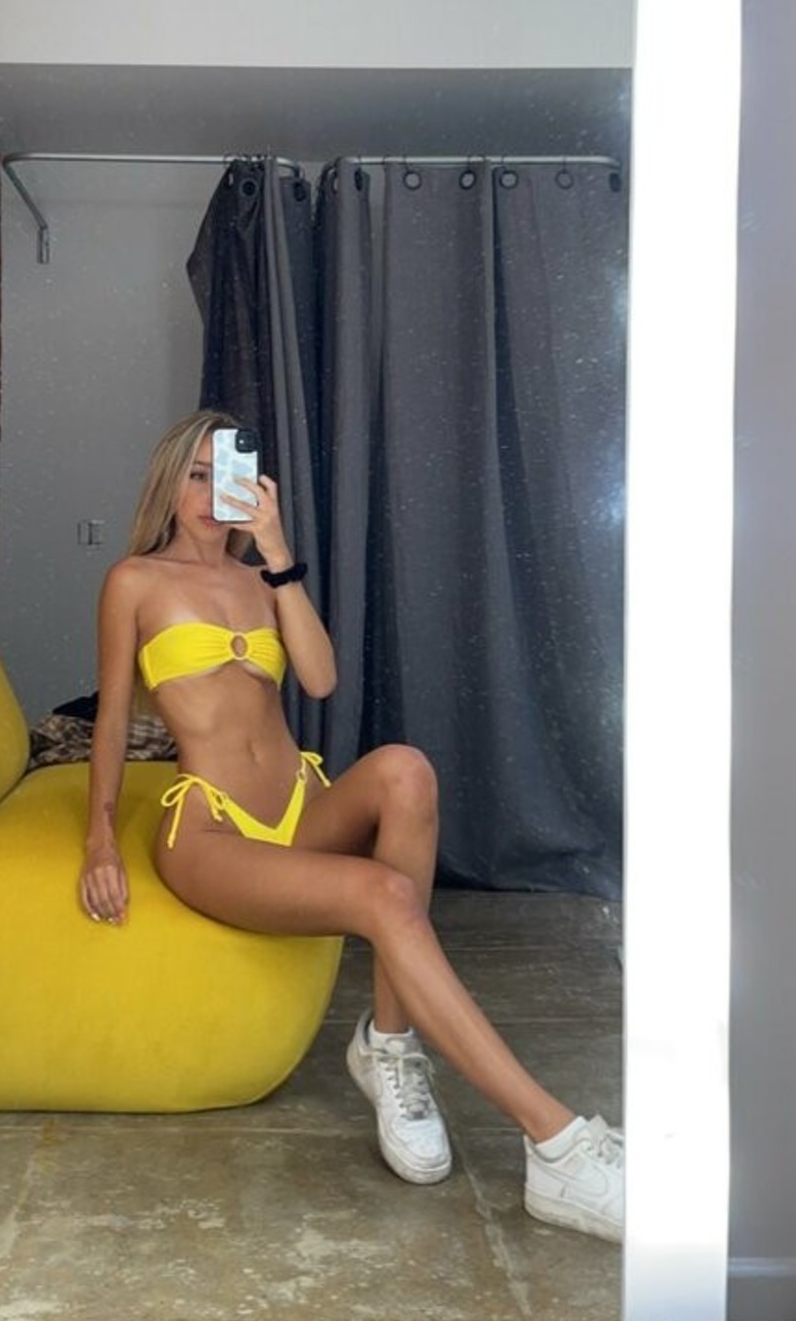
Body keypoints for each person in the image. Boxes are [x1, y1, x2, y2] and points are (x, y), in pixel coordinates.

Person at [80, 409, 623, 1243]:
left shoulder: (262, 579)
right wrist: (100, 840)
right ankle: (556, 1143)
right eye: (195, 473)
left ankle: (390, 1045)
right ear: (167, 481)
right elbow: (113, 719)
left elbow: (321, 679)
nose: (210, 491)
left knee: (406, 768)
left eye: (224, 472)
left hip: (298, 806)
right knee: (384, 894)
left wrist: (277, 552)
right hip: (213, 830)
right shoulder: (134, 581)